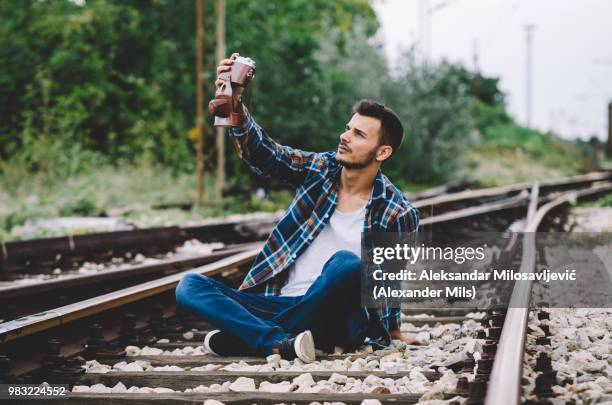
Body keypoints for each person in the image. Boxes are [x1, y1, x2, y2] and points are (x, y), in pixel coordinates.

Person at [175, 53, 419, 364]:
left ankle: (251, 337)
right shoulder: (319, 169)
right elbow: (266, 154)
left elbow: (388, 282)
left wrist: (393, 331)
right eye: (348, 128)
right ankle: (279, 342)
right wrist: (235, 102)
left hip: (343, 319)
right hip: (282, 303)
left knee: (346, 264)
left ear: (382, 151)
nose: (344, 137)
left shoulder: (399, 212)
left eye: (358, 135)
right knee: (190, 285)